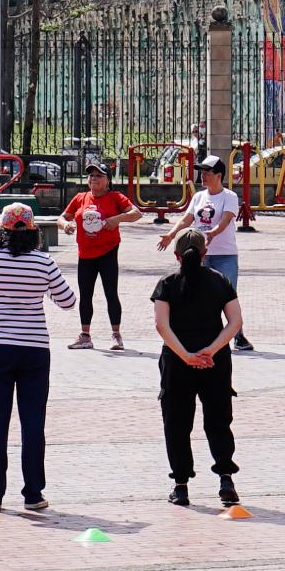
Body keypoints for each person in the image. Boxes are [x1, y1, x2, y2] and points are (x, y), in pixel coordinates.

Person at [0, 203, 77, 510]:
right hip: (35, 348)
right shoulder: (43, 261)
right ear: (33, 231)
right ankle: (33, 494)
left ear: (2, 230)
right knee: (33, 423)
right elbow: (67, 301)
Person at [152, 229, 244, 506]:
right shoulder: (220, 281)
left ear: (177, 255)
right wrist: (212, 349)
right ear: (206, 254)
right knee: (218, 420)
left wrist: (185, 355)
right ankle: (226, 478)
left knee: (177, 422)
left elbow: (161, 325)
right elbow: (235, 322)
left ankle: (181, 485)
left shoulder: (167, 283)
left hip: (177, 362)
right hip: (215, 361)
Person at [158, 155, 252, 351]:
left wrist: (213, 233)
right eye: (202, 172)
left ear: (219, 175)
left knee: (227, 293)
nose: (203, 176)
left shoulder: (230, 197)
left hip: (224, 254)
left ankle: (238, 336)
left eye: (207, 173)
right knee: (196, 292)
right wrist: (171, 234)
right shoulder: (199, 197)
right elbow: (187, 219)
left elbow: (225, 220)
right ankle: (199, 332)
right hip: (200, 255)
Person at [62, 162, 140, 351]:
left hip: (108, 251)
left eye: (99, 175)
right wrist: (64, 225)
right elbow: (64, 216)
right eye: (91, 175)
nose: (94, 178)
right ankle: (85, 335)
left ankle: (116, 335)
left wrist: (116, 219)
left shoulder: (115, 197)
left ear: (108, 181)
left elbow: (136, 213)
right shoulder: (81, 197)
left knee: (110, 293)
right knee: (85, 295)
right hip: (85, 253)